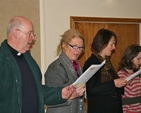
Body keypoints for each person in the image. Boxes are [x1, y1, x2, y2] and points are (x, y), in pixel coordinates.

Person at [0, 16, 75, 113]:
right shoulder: (2, 59)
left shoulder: (29, 59)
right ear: (16, 34)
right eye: (29, 34)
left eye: (33, 34)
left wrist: (60, 94)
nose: (32, 38)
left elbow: (37, 91)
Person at [83, 28, 127, 113]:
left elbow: (112, 83)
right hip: (100, 108)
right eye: (112, 44)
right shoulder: (92, 62)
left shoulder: (106, 62)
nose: (114, 48)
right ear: (103, 43)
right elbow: (90, 90)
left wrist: (121, 82)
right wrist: (113, 84)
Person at [44, 29, 86, 113]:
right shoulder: (55, 68)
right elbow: (50, 100)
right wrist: (73, 95)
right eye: (74, 46)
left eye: (80, 47)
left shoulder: (77, 66)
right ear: (63, 45)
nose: (77, 51)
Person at [117, 44, 141, 113]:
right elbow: (122, 100)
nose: (140, 62)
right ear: (130, 58)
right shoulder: (121, 75)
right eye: (138, 59)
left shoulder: (136, 75)